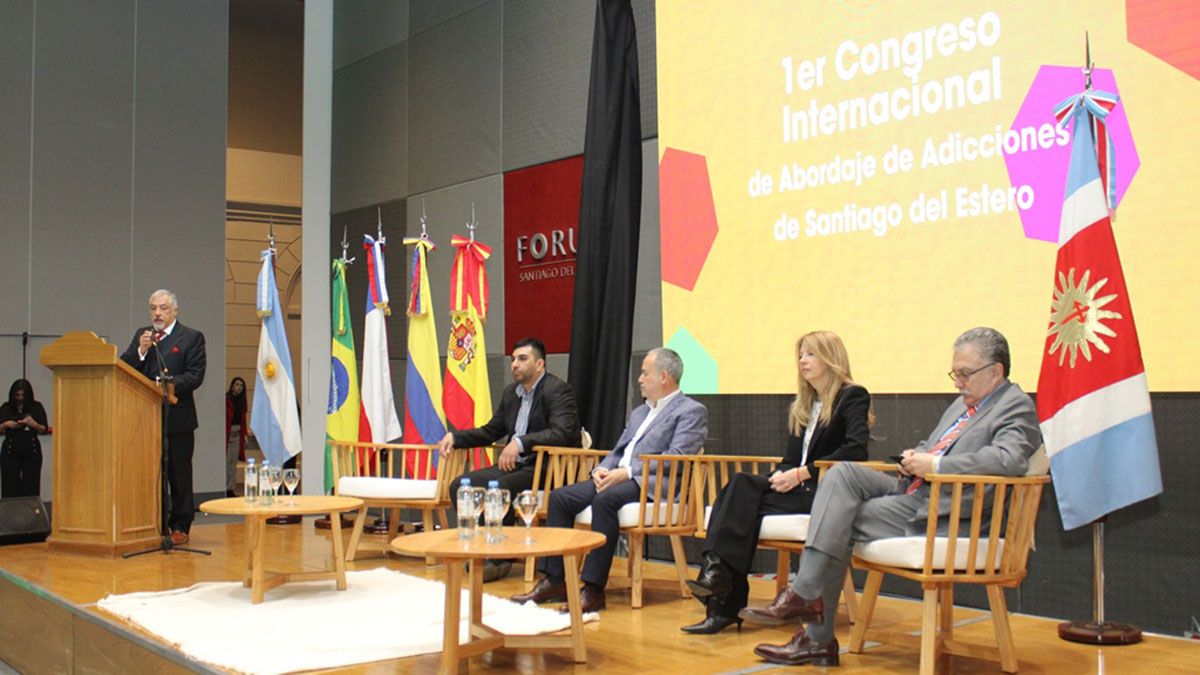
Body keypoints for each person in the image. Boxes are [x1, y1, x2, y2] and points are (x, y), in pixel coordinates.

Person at [742, 327, 1041, 667]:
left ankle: (814, 626)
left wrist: (936, 465)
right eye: (954, 374)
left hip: (950, 511)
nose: (958, 382)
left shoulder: (1016, 405)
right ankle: (807, 605)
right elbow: (934, 445)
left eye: (965, 374)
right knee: (841, 474)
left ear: (996, 371)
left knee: (837, 517)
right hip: (915, 492)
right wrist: (916, 456)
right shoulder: (962, 404)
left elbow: (1009, 458)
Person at [682, 331, 872, 635]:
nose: (802, 361)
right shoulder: (804, 404)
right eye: (800, 355)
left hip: (824, 492)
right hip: (797, 488)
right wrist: (781, 476)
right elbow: (789, 460)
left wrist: (802, 473)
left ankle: (721, 599)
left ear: (831, 357)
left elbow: (856, 449)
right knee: (740, 486)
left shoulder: (853, 395)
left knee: (738, 506)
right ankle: (717, 575)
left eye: (810, 354)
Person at [512, 347, 708, 613]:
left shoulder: (690, 411)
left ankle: (593, 589)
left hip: (651, 484)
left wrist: (627, 472)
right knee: (560, 498)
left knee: (605, 500)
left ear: (663, 376)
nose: (639, 379)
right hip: (618, 478)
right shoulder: (639, 413)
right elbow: (618, 451)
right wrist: (601, 469)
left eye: (645, 373)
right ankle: (555, 581)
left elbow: (677, 458)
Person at [436, 337, 581, 582]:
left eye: (522, 359)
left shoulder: (558, 390)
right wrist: (456, 437)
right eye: (513, 359)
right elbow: (491, 431)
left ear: (540, 364)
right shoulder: (510, 394)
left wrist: (520, 442)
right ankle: (477, 548)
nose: (514, 364)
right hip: (516, 467)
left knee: (500, 489)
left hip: (547, 468)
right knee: (461, 485)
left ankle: (498, 558)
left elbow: (562, 432)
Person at [120, 289, 207, 546]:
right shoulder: (143, 335)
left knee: (179, 476)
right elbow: (125, 366)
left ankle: (180, 525)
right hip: (146, 421)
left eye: (163, 308)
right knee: (150, 474)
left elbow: (195, 376)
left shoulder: (191, 337)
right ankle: (154, 523)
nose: (157, 313)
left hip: (178, 420)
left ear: (175, 311)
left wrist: (163, 384)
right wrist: (141, 350)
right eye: (153, 308)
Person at [0, 379, 50, 498]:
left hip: (32, 452)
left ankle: (31, 509)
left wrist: (34, 424)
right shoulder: (6, 407)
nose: (20, 398)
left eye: (23, 395)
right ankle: (11, 509)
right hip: (10, 453)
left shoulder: (36, 407)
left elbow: (43, 429)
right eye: (17, 395)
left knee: (31, 487)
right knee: (10, 487)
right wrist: (6, 425)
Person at [225, 377, 248, 498]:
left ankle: (230, 489)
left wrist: (244, 434)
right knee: (226, 462)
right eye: (237, 384)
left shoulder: (242, 402)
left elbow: (243, 421)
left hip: (237, 434)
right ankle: (223, 488)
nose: (239, 387)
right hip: (227, 433)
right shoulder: (226, 399)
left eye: (241, 386)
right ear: (232, 385)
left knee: (233, 463)